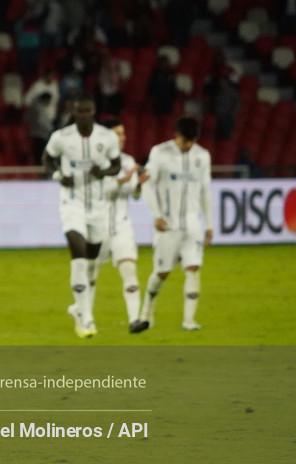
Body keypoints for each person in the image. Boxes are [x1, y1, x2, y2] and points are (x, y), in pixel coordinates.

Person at [42, 92, 121, 338]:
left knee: (92, 257)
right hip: (71, 203)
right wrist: (58, 176)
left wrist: (105, 171)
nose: (84, 115)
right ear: (73, 113)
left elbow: (116, 164)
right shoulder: (61, 137)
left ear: (94, 111)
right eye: (80, 111)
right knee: (77, 248)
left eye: (88, 110)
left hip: (98, 206)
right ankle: (86, 318)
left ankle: (78, 307)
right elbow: (47, 158)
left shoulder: (107, 137)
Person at [137, 116, 213, 331]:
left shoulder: (202, 156)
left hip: (192, 225)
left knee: (193, 268)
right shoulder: (160, 153)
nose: (189, 145)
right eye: (185, 141)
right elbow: (146, 185)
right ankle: (146, 313)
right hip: (168, 226)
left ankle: (189, 321)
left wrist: (209, 225)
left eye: (192, 141)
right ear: (176, 136)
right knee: (161, 273)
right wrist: (156, 215)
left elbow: (206, 192)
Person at [96, 118, 149, 333]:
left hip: (121, 224)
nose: (123, 137)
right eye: (118, 133)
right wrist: (124, 179)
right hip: (97, 226)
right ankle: (84, 316)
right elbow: (101, 191)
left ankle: (134, 319)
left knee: (129, 268)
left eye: (123, 133)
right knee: (89, 275)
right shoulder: (95, 161)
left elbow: (133, 195)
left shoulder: (128, 161)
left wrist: (138, 185)